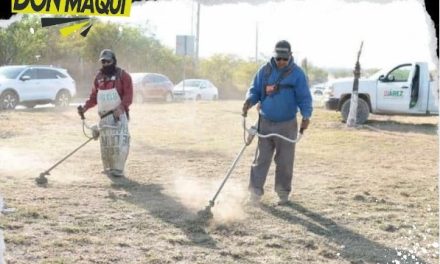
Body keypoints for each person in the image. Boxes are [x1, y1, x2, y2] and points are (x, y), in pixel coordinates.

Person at [242, 40, 313, 206]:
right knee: (261, 160)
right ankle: (254, 194)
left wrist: (306, 116)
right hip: (265, 122)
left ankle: (282, 194)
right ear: (274, 56)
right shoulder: (264, 71)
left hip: (287, 124)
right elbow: (255, 90)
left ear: (290, 57)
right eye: (279, 58)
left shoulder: (297, 74)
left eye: (284, 59)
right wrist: (248, 101)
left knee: (285, 161)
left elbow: (304, 98)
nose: (281, 62)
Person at [78, 49, 133, 177]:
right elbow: (93, 97)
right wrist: (84, 108)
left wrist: (121, 108)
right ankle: (109, 168)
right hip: (104, 118)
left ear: (113, 61)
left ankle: (118, 169)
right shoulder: (98, 78)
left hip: (119, 117)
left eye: (108, 61)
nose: (105, 64)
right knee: (107, 145)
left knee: (119, 144)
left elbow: (128, 96)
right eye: (103, 62)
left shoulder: (123, 76)